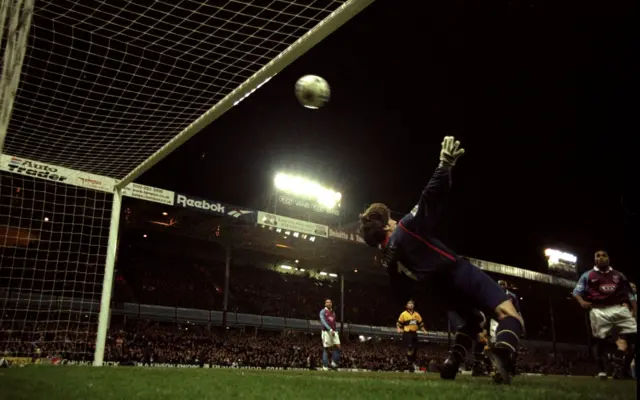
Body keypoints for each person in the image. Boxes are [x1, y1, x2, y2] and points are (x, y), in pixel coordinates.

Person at [359, 136, 524, 384]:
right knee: (508, 311)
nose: (395, 220)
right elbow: (429, 199)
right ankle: (504, 352)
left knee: (473, 321)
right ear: (385, 226)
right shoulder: (404, 230)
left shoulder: (388, 260)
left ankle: (452, 363)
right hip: (456, 272)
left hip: (440, 292)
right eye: (390, 219)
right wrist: (444, 165)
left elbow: (401, 295)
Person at [573, 250, 637, 380]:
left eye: (604, 255)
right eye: (598, 256)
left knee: (634, 338)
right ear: (595, 260)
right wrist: (581, 301)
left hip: (618, 309)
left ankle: (620, 366)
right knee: (600, 340)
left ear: (609, 258)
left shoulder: (619, 275)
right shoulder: (588, 275)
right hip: (598, 309)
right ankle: (603, 370)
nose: (601, 258)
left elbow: (630, 294)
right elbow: (576, 291)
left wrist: (634, 309)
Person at [397, 299, 428, 371]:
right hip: (407, 333)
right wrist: (398, 329)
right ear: (406, 306)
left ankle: (411, 362)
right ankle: (409, 362)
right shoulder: (403, 314)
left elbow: (421, 324)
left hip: (414, 333)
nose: (411, 305)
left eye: (412, 304)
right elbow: (399, 323)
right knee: (409, 347)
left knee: (415, 349)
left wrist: (424, 331)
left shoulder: (417, 314)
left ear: (413, 306)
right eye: (409, 304)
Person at [319, 298, 341, 370]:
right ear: (325, 304)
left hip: (334, 331)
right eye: (327, 302)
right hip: (326, 331)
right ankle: (325, 367)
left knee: (338, 347)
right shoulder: (322, 311)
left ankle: (333, 364)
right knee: (326, 349)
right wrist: (330, 329)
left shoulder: (333, 312)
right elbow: (323, 321)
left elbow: (333, 323)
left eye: (330, 302)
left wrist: (334, 330)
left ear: (331, 304)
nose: (329, 303)